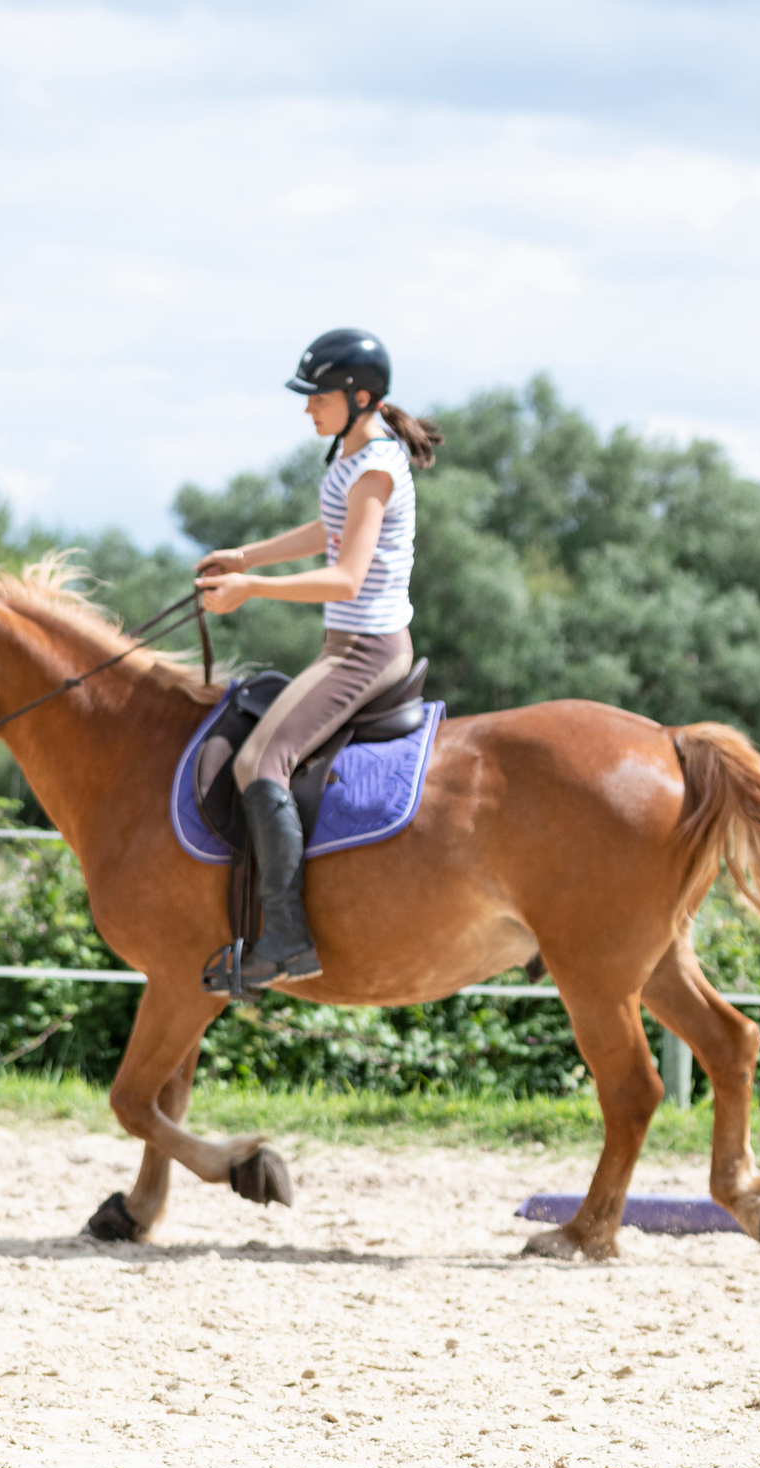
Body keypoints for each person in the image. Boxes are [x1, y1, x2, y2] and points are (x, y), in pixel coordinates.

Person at [193, 329, 442, 994]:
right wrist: (246, 556)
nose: (308, 409)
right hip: (348, 646)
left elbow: (345, 577)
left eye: (318, 398)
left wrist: (251, 591)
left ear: (359, 397)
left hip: (366, 652)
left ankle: (286, 940)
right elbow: (327, 529)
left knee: (257, 762)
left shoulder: (375, 468)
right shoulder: (353, 457)